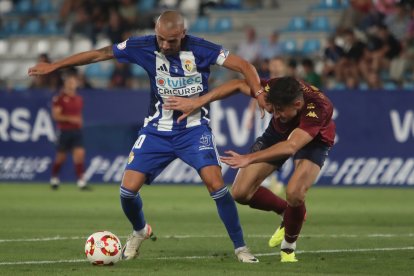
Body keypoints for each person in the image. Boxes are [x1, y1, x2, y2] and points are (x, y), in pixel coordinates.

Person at [28, 10, 263, 263]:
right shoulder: (143, 45)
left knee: (216, 185)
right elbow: (101, 53)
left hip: (194, 130)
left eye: (171, 41)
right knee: (127, 191)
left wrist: (259, 92)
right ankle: (140, 230)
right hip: (155, 131)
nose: (164, 45)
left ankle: (241, 248)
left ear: (183, 34)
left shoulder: (202, 49)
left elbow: (244, 66)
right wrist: (55, 65)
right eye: (160, 38)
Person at [165, 76, 335, 262]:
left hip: (313, 142)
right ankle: (288, 213)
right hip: (277, 134)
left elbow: (292, 146)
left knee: (295, 192)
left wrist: (248, 158)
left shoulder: (318, 107)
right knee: (240, 192)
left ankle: (288, 248)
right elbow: (239, 83)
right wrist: (198, 101)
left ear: (297, 104)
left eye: (280, 110)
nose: (275, 114)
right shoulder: (276, 87)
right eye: (274, 108)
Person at [50, 71, 88, 190]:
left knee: (80, 155)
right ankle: (54, 177)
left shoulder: (79, 99)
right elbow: (56, 116)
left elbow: (78, 115)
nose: (72, 84)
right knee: (61, 157)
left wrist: (79, 121)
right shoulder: (59, 98)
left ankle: (81, 181)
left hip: (76, 131)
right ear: (65, 84)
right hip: (64, 131)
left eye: (74, 82)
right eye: (70, 82)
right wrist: (72, 119)